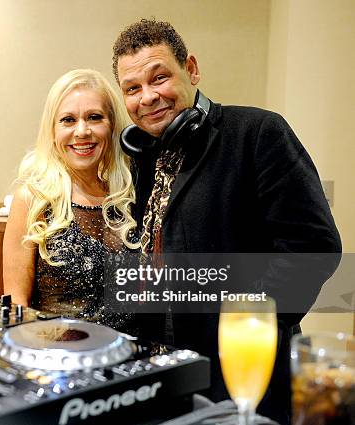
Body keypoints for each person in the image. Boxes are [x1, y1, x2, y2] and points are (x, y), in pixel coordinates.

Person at [111, 19, 341, 423]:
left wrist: (242, 321)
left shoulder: (257, 132)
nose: (147, 97)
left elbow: (313, 247)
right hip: (165, 368)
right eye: (132, 88)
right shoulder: (142, 157)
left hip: (241, 369)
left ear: (192, 69)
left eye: (159, 77)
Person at [3, 69, 138, 329]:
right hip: (60, 360)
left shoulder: (131, 195)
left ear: (111, 126)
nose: (82, 131)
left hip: (133, 361)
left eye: (94, 117)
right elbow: (16, 304)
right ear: (52, 130)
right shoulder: (33, 199)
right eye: (67, 120)